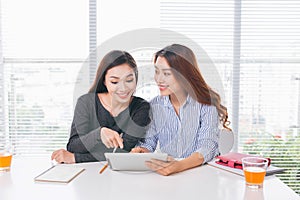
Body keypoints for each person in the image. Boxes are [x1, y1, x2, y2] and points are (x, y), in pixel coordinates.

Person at [131, 44, 230, 176]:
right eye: (157, 71)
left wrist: (179, 166)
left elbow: (207, 146)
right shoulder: (155, 105)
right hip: (171, 175)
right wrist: (142, 151)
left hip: (202, 175)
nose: (158, 79)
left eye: (166, 73)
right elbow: (149, 142)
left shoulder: (206, 104)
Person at [52, 50, 151, 163]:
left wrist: (76, 158)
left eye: (129, 80)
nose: (123, 88)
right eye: (114, 82)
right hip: (86, 173)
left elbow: (124, 152)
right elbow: (73, 146)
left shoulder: (141, 108)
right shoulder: (86, 102)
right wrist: (99, 134)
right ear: (104, 80)